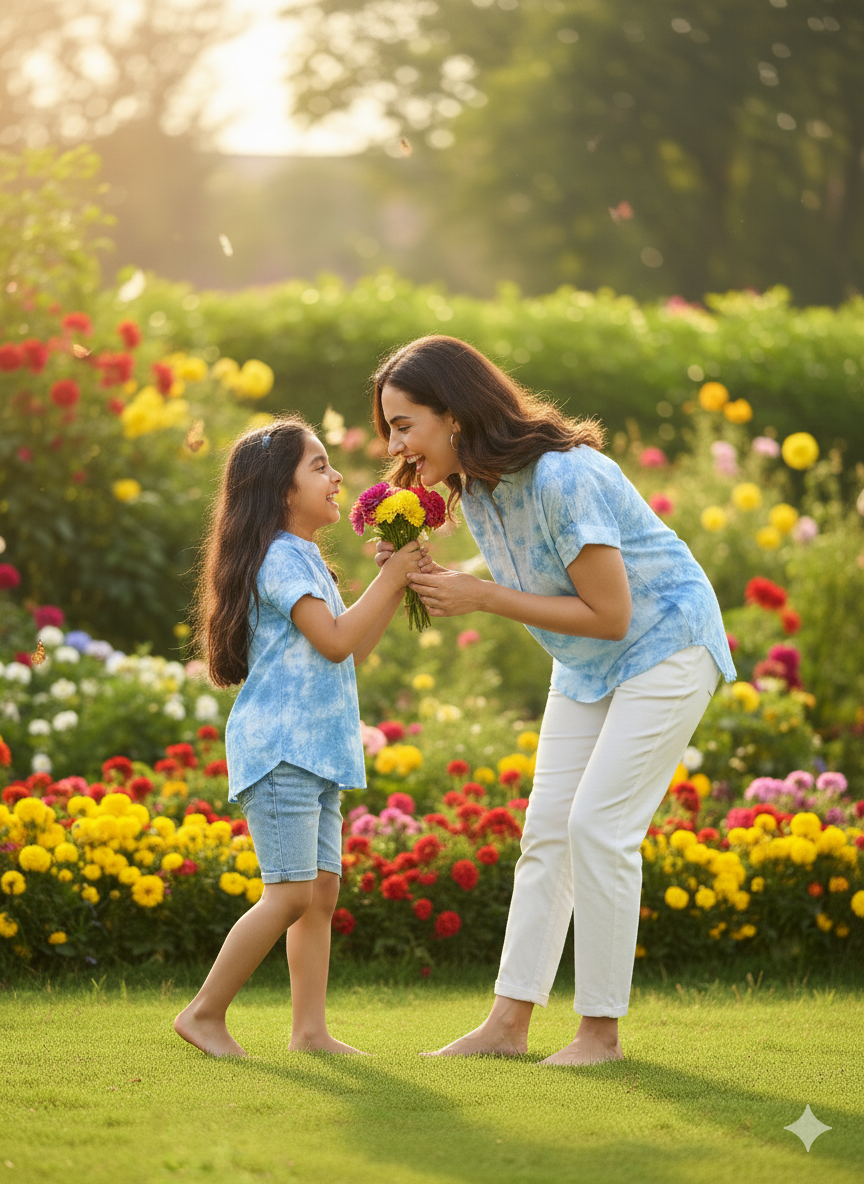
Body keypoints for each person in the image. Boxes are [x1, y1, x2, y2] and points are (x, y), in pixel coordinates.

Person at [372, 336, 736, 1066]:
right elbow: (526, 567)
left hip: (665, 645)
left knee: (599, 827)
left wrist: (481, 598)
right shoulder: (474, 489)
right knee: (546, 833)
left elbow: (612, 614)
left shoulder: (563, 478)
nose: (395, 446)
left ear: (454, 414)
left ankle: (599, 1035)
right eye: (389, 428)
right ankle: (507, 1027)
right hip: (586, 666)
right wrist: (440, 574)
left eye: (404, 425)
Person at [174, 415, 422, 1057]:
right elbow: (337, 641)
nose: (337, 477)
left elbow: (350, 649)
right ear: (281, 491)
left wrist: (392, 581)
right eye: (319, 467)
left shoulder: (302, 554)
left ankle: (310, 1032)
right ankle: (203, 1013)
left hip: (313, 752)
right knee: (289, 894)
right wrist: (391, 578)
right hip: (281, 748)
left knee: (319, 896)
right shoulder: (281, 557)